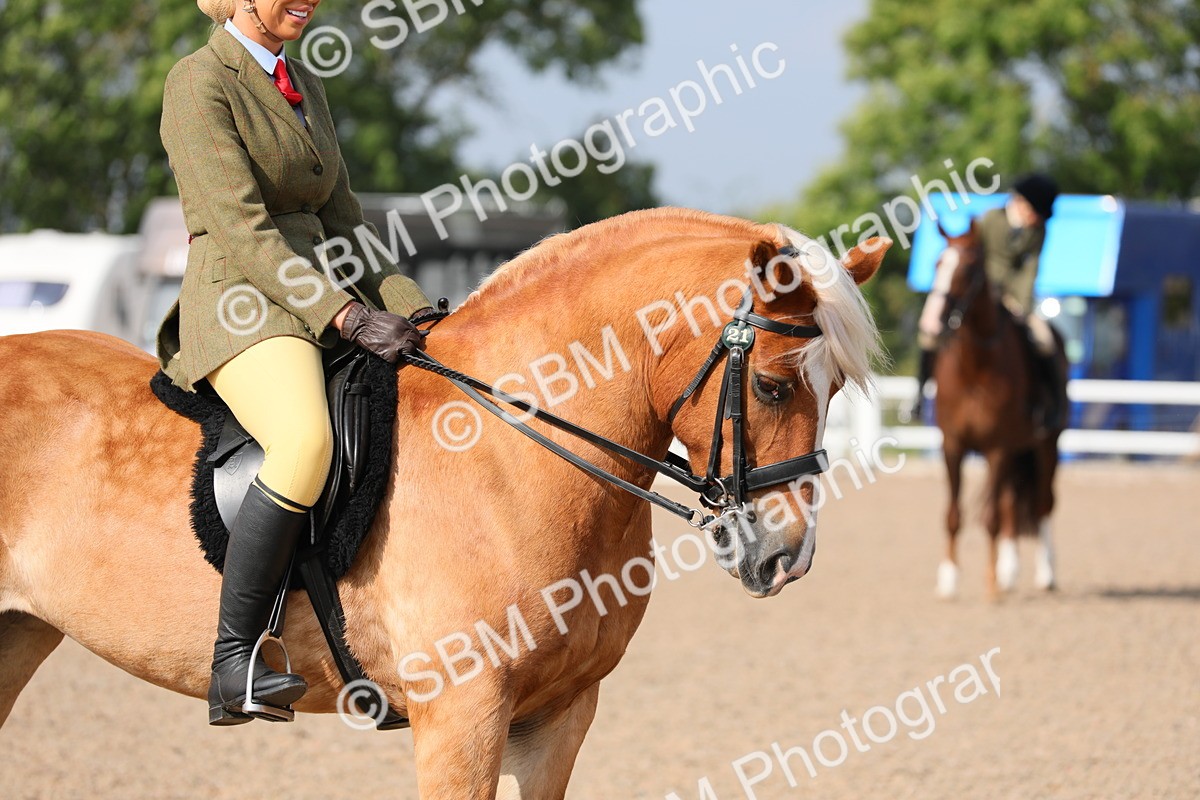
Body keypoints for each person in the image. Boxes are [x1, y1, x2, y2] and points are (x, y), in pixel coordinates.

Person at [157, 0, 434, 725]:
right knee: (305, 439)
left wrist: (414, 308)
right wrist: (341, 313)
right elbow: (241, 228)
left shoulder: (303, 81)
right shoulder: (197, 82)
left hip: (319, 290)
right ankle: (234, 660)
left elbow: (344, 222)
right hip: (240, 303)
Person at [908, 174, 1065, 428]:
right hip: (979, 292)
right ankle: (918, 396)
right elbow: (971, 254)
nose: (1037, 219)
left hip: (1014, 295)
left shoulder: (1038, 230)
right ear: (1022, 202)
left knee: (1044, 340)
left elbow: (1030, 269)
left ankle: (1051, 405)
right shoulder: (991, 219)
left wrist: (1022, 305)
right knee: (929, 332)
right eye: (1035, 212)